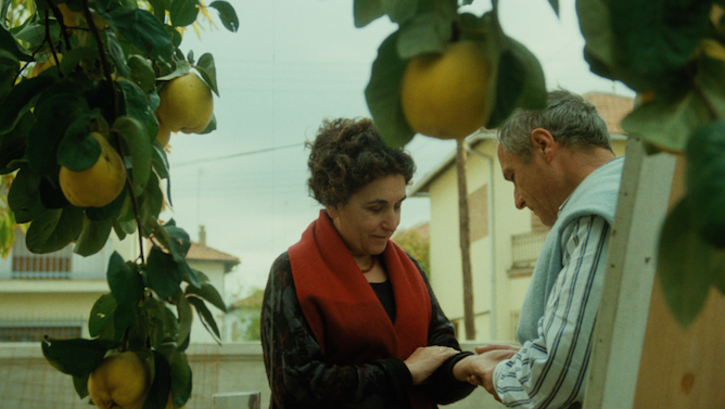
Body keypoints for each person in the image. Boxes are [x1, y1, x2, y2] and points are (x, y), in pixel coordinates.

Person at [261, 117, 476, 409]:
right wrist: (403, 373)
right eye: (376, 208)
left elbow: (439, 352)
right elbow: (296, 387)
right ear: (333, 202)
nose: (392, 223)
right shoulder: (292, 272)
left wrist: (468, 367)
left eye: (398, 205)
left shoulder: (409, 268)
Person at [453, 90, 624, 408]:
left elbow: (555, 379)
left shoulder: (596, 212)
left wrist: (495, 371)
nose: (518, 200)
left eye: (513, 177)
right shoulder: (636, 192)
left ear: (544, 145)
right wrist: (535, 353)